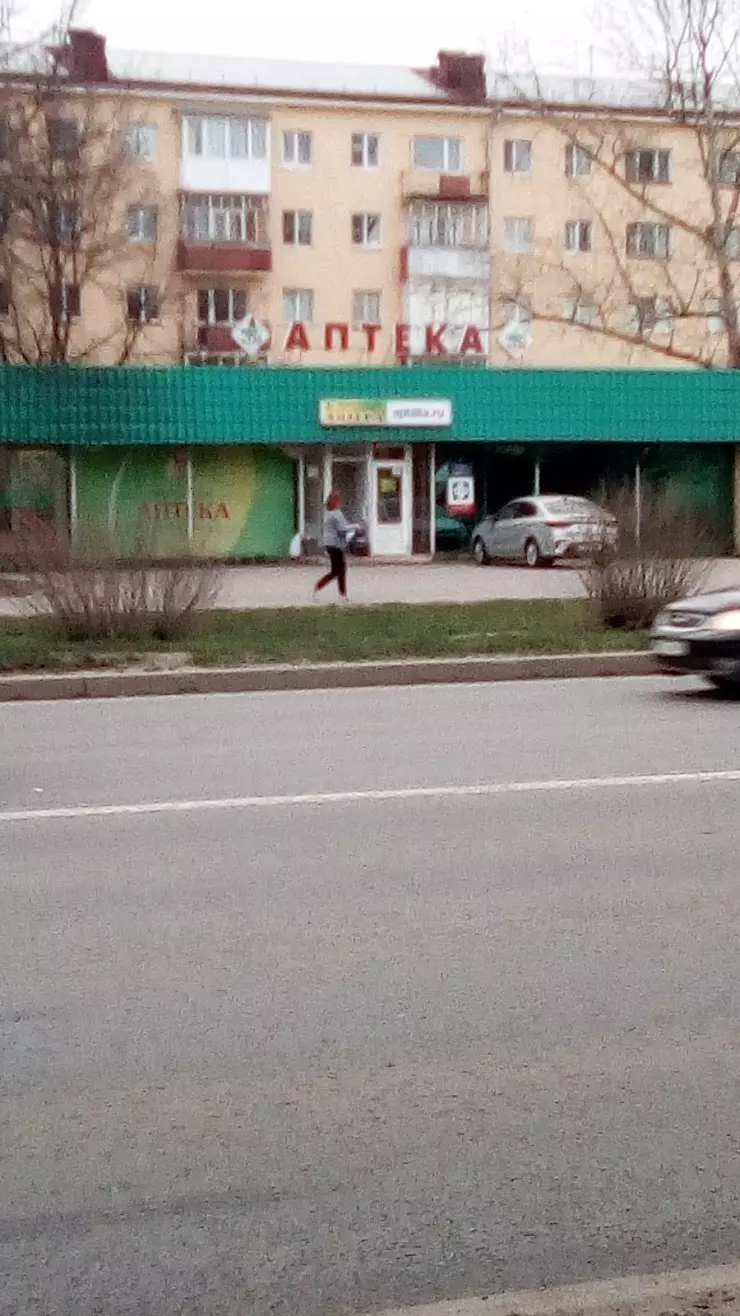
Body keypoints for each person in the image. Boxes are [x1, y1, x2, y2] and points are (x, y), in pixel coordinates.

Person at [314, 491, 351, 600]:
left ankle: (342, 594)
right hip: (336, 544)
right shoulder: (337, 514)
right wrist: (354, 528)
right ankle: (320, 586)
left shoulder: (327, 513)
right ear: (337, 501)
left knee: (339, 569)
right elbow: (342, 529)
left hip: (328, 543)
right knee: (338, 570)